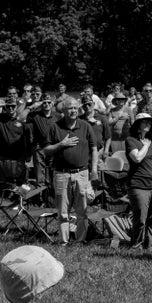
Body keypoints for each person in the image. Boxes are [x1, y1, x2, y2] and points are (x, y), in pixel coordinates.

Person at [42, 98, 98, 244]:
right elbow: (46, 150)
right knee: (62, 211)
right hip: (61, 174)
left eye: (75, 108)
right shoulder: (55, 127)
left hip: (82, 173)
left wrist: (94, 170)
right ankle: (64, 242)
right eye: (70, 108)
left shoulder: (85, 126)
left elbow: (94, 148)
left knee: (82, 211)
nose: (73, 110)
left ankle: (80, 241)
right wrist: (61, 144)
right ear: (63, 111)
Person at [126, 113, 152, 250]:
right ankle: (136, 245)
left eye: (150, 122)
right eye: (144, 122)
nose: (148, 124)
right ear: (137, 125)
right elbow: (137, 158)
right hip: (138, 184)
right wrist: (146, 145)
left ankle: (151, 247)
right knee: (140, 218)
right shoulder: (131, 140)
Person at [0, 96, 33, 186]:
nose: (10, 108)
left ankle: (19, 197)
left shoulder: (22, 119)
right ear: (5, 107)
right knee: (5, 177)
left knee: (20, 178)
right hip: (5, 153)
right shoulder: (1, 118)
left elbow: (28, 138)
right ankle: (5, 195)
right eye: (8, 106)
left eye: (13, 106)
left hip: (19, 153)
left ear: (16, 107)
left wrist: (28, 154)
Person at [106, 91, 134, 155]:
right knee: (116, 156)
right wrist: (118, 116)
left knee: (126, 156)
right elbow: (109, 122)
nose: (121, 101)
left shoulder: (128, 109)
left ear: (124, 100)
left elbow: (133, 122)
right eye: (119, 99)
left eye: (123, 99)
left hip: (126, 137)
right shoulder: (112, 110)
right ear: (116, 101)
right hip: (114, 137)